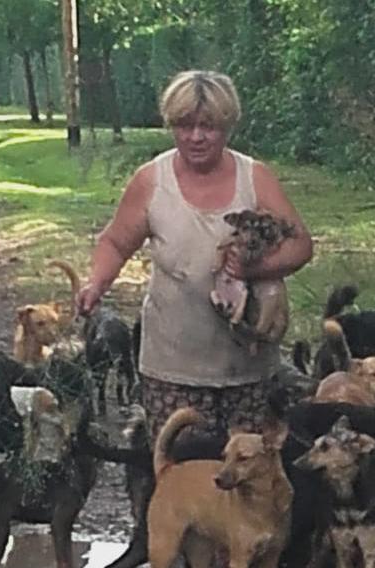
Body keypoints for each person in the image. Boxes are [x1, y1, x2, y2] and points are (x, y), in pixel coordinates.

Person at [76, 69, 313, 442]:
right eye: (185, 126)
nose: (196, 137)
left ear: (227, 126)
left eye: (208, 127)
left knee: (242, 482)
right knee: (181, 479)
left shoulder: (256, 178)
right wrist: (96, 284)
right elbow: (116, 242)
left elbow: (301, 245)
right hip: (172, 366)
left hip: (247, 367)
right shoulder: (152, 181)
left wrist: (256, 269)